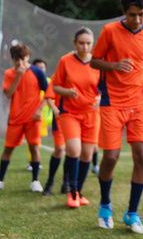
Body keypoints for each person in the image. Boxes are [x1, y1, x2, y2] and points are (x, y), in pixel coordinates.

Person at [90, 0, 143, 234]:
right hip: (112, 102)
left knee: (142, 155)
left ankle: (132, 213)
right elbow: (94, 60)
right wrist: (114, 65)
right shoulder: (109, 31)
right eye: (132, 15)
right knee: (110, 158)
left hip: (140, 103)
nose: (137, 20)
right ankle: (105, 206)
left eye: (141, 14)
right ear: (123, 11)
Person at [0, 44, 48, 193]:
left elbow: (48, 92)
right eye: (16, 60)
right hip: (15, 118)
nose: (20, 63)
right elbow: (8, 94)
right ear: (12, 60)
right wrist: (19, 75)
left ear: (27, 57)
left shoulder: (38, 72)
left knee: (34, 147)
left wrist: (39, 110)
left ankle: (35, 181)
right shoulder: (9, 73)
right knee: (8, 149)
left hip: (33, 118)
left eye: (22, 59)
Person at [52, 27, 101, 207]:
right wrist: (68, 92)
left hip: (91, 114)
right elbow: (55, 86)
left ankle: (79, 192)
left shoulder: (98, 62)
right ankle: (72, 194)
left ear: (92, 43)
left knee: (87, 155)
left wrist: (100, 97)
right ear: (75, 43)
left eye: (88, 43)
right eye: (81, 43)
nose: (85, 47)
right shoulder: (65, 60)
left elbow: (105, 87)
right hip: (69, 113)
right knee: (74, 150)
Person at [41, 79, 70, 196]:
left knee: (72, 151)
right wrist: (55, 110)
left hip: (77, 118)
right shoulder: (58, 76)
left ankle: (66, 183)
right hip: (60, 118)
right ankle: (50, 182)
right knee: (59, 148)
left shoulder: (84, 70)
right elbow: (48, 96)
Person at [26, 58, 50, 171]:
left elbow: (51, 98)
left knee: (37, 140)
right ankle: (32, 162)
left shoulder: (49, 82)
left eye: (43, 68)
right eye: (38, 68)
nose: (41, 70)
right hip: (33, 116)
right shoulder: (31, 81)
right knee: (34, 140)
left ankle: (34, 162)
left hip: (45, 118)